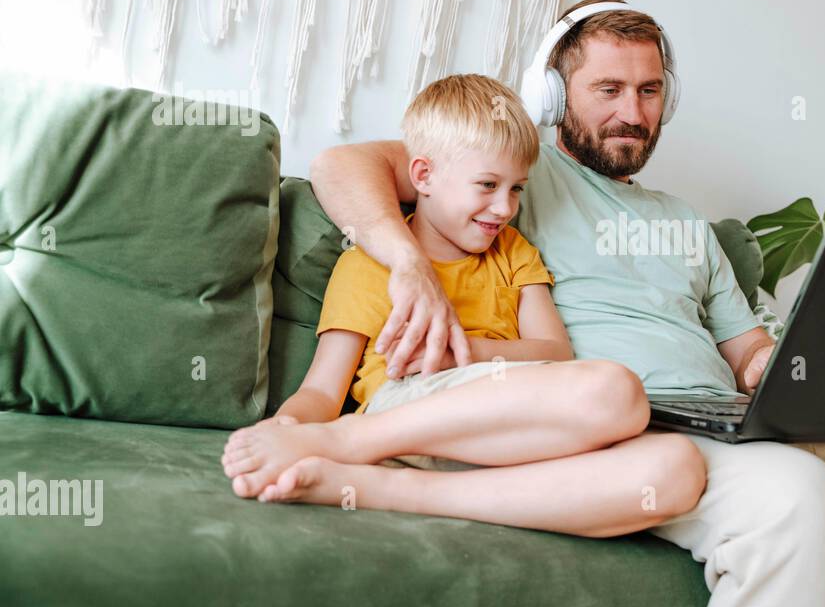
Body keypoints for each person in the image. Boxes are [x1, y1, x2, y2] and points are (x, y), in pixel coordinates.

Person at [309, 0, 825, 607]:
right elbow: (338, 168)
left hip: (739, 422)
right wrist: (406, 263)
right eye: (607, 89)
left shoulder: (688, 225)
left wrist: (811, 368)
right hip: (635, 432)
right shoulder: (515, 181)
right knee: (793, 498)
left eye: (649, 90)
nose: (631, 112)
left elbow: (747, 352)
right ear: (553, 95)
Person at [221, 73, 706, 538]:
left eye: (516, 188)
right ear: (424, 176)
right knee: (615, 391)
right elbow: (324, 390)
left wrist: (464, 353)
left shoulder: (513, 253)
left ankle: (393, 489)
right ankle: (347, 442)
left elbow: (554, 353)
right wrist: (285, 427)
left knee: (677, 469)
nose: (504, 208)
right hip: (407, 415)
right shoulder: (372, 265)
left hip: (507, 433)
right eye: (487, 185)